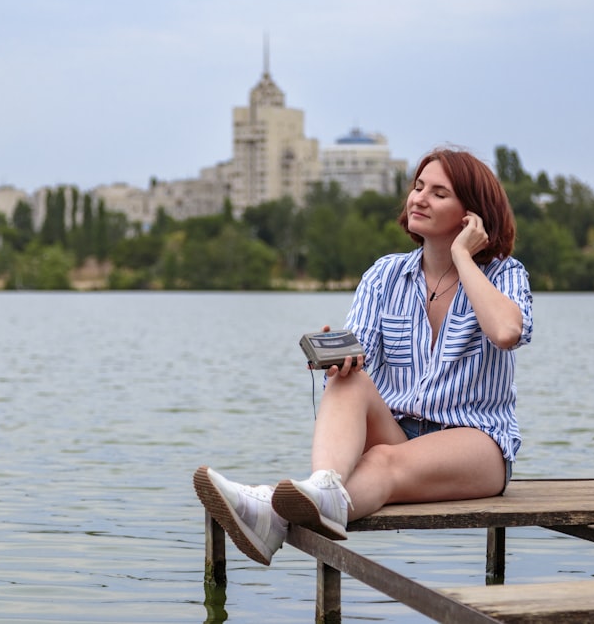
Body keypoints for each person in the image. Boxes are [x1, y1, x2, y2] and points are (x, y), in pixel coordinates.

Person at [193, 146, 534, 565]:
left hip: (476, 443)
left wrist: (464, 257)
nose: (419, 198)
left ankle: (270, 514)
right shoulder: (384, 274)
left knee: (385, 462)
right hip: (398, 431)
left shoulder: (505, 273)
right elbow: (362, 360)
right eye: (417, 187)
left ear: (472, 216)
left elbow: (506, 332)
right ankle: (322, 486)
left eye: (439, 193)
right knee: (348, 379)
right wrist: (339, 358)